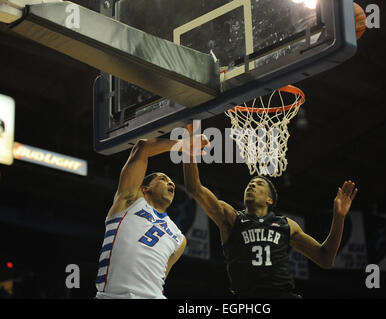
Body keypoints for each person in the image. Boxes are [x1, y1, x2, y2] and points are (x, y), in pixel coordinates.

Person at [182, 124, 358, 299]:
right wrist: (189, 151)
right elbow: (194, 189)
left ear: (269, 200)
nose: (251, 184)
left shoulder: (287, 225)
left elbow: (325, 258)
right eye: (250, 183)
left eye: (259, 184)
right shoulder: (232, 218)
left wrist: (339, 216)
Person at [95, 138, 188, 299]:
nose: (171, 183)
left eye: (171, 181)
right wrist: (184, 145)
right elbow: (142, 147)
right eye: (163, 179)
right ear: (145, 188)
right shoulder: (129, 201)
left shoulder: (180, 238)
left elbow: (161, 277)